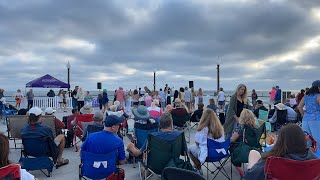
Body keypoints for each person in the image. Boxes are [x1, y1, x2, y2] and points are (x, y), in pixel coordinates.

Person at [244, 124, 317, 180]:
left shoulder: (273, 161)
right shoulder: (314, 161)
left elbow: (250, 177)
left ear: (280, 141)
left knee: (254, 153)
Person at [298, 80, 320, 151]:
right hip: (316, 119)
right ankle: (318, 156)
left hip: (305, 119)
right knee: (318, 139)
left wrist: (303, 114)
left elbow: (299, 107)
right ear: (318, 87)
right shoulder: (318, 96)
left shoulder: (306, 96)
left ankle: (305, 155)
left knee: (307, 138)